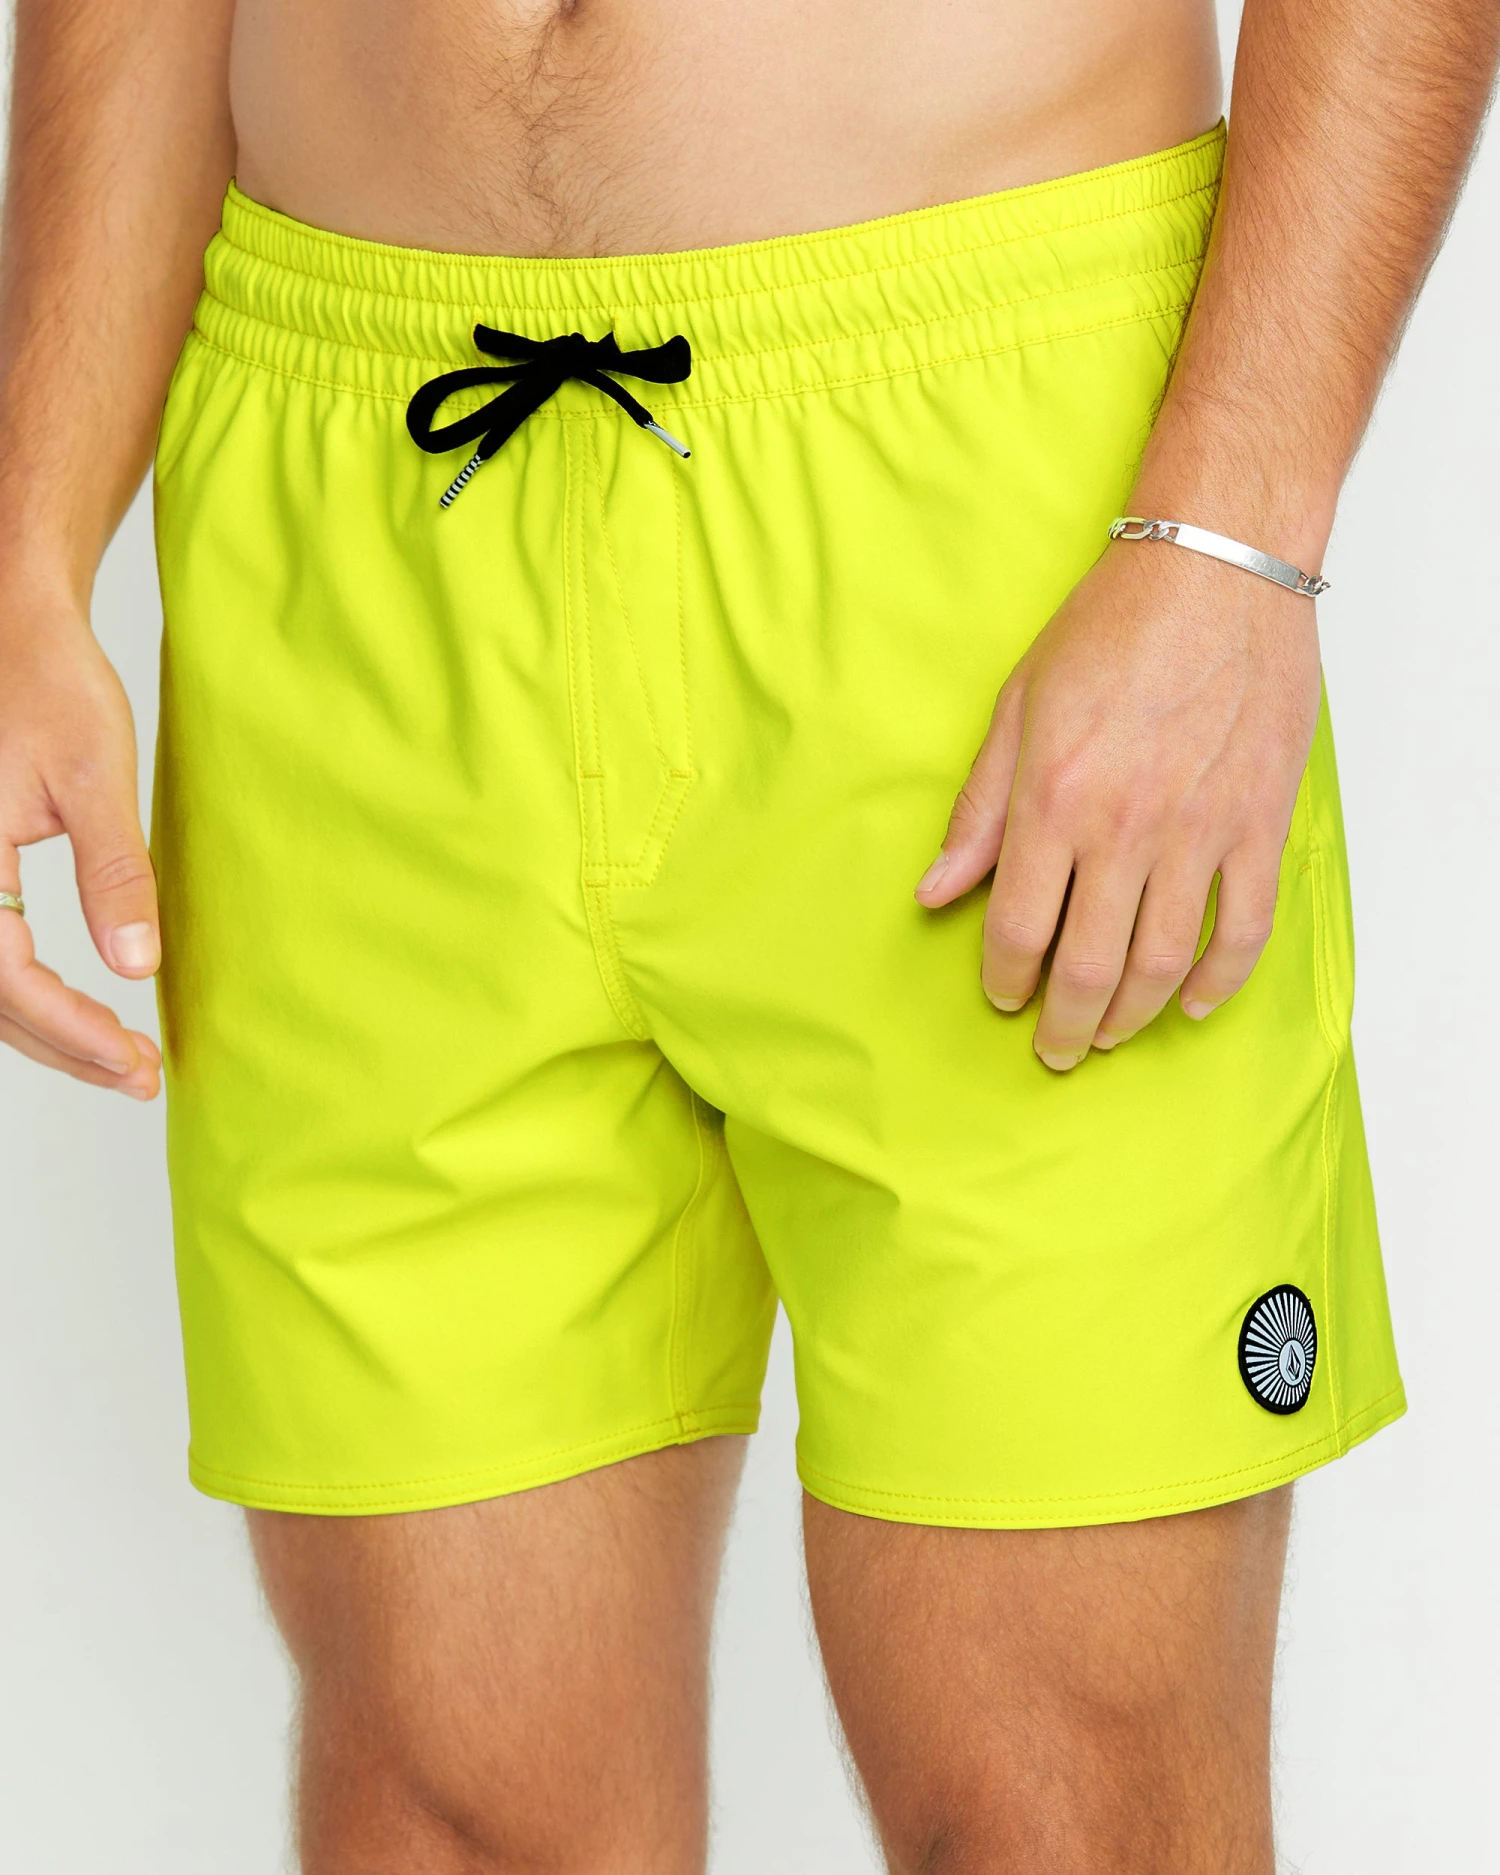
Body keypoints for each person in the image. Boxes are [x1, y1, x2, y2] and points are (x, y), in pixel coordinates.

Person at [0, 0, 1494, 1867]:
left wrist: (1229, 545)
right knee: (446, 1810)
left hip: (996, 504)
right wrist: (27, 539)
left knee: (1073, 1804)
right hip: (349, 517)